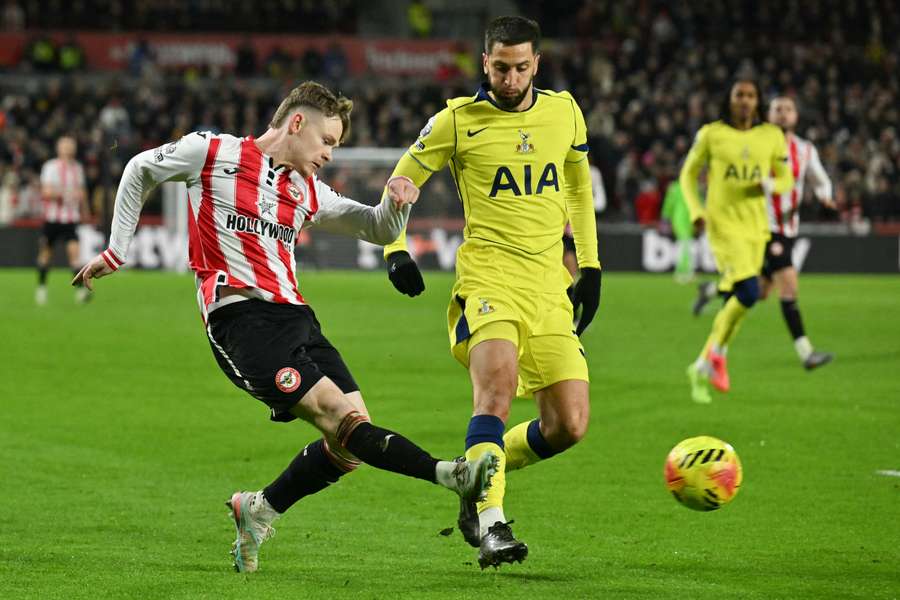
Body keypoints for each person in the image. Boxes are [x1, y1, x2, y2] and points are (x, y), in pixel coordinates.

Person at [72, 81, 498, 573]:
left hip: (298, 319)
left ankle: (260, 509)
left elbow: (377, 227)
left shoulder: (307, 190)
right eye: (327, 142)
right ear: (297, 123)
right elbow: (138, 168)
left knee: (350, 443)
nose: (330, 155)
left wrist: (397, 203)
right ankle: (450, 475)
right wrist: (117, 248)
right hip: (240, 320)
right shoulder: (211, 152)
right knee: (343, 418)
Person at [381, 16, 601, 568]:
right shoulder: (457, 120)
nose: (510, 78)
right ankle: (492, 522)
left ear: (537, 64)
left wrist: (591, 267)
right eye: (500, 67)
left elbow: (577, 185)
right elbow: (401, 181)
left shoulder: (565, 111)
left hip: (551, 284)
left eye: (521, 67)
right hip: (489, 280)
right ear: (485, 63)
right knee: (496, 392)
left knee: (569, 424)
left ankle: (475, 473)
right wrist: (395, 248)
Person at [681, 79, 794, 404]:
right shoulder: (711, 134)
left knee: (741, 300)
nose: (744, 101)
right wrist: (695, 211)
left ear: (758, 102)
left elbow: (786, 178)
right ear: (729, 100)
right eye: (739, 95)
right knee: (748, 291)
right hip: (723, 225)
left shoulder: (771, 136)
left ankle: (705, 361)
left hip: (757, 227)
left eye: (750, 95)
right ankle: (716, 355)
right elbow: (687, 175)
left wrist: (770, 184)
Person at [761, 96, 835, 369]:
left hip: (788, 229)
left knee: (757, 291)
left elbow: (821, 181)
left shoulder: (804, 150)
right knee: (789, 285)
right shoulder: (756, 145)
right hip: (763, 227)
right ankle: (806, 353)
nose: (783, 114)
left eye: (788, 109)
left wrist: (826, 198)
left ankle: (710, 290)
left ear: (796, 116)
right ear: (768, 115)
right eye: (777, 109)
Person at [36, 135, 90, 305]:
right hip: (52, 219)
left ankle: (81, 292)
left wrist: (85, 210)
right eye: (65, 146)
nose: (68, 149)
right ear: (59, 148)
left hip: (70, 219)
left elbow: (82, 192)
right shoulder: (50, 167)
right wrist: (65, 193)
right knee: (45, 255)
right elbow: (45, 192)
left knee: (75, 254)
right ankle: (41, 289)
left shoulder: (78, 169)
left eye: (70, 146)